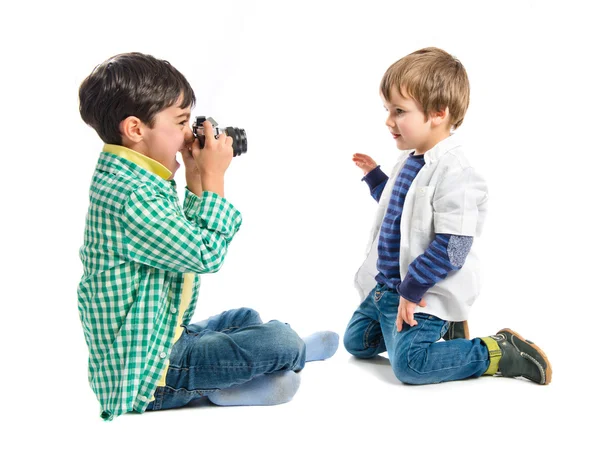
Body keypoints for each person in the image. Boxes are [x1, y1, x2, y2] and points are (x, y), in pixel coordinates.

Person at [77, 52, 338, 421]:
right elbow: (204, 254)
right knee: (277, 340)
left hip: (164, 334)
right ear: (136, 129)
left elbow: (178, 241)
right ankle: (291, 352)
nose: (189, 133)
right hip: (150, 376)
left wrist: (196, 180)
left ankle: (229, 385)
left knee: (244, 316)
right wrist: (215, 179)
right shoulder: (130, 195)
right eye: (181, 121)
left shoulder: (136, 177)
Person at [343, 47, 551, 386]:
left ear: (439, 112)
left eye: (399, 111)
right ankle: (443, 326)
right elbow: (401, 210)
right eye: (387, 110)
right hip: (388, 288)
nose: (388, 120)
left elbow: (453, 246)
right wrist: (375, 177)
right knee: (356, 342)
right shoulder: (411, 159)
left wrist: (412, 291)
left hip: (423, 291)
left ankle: (496, 351)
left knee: (410, 366)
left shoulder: (458, 173)